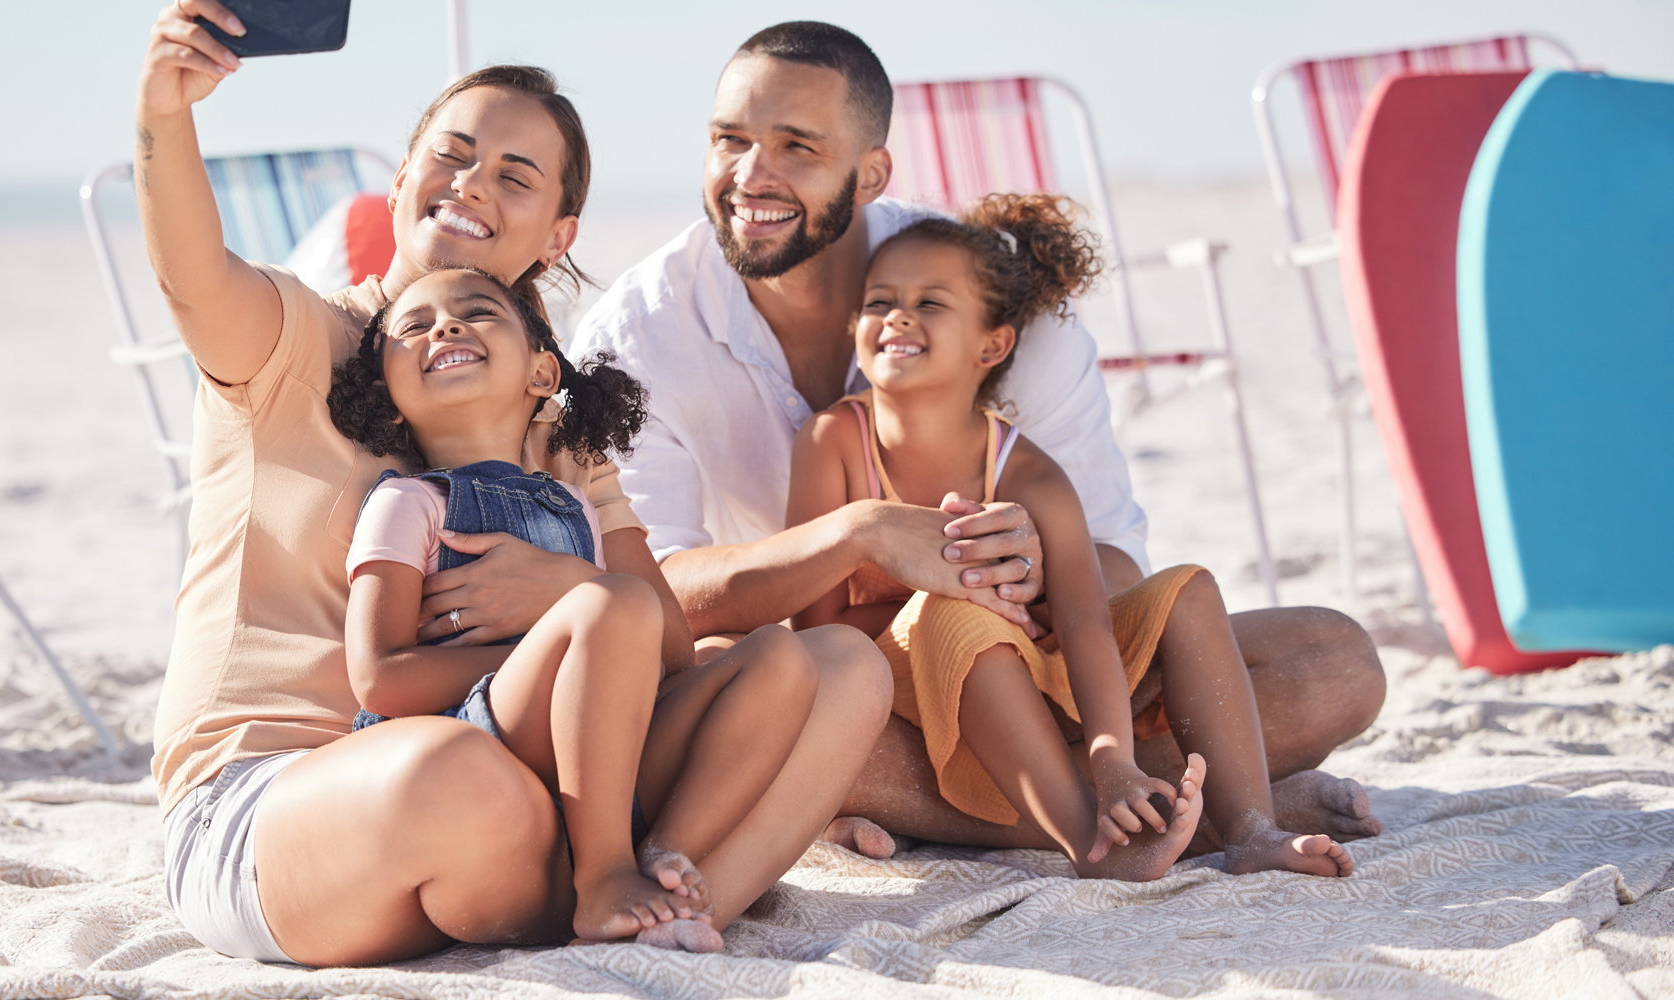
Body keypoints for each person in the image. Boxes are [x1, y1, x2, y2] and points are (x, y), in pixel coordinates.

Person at [139, 1, 889, 967]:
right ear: (403, 177)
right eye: (449, 157)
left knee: (839, 666)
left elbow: (659, 638)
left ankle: (679, 909)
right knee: (462, 781)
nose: (470, 185)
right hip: (288, 799)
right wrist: (165, 112)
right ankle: (624, 876)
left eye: (514, 176)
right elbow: (192, 278)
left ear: (557, 230)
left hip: (535, 789)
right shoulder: (297, 339)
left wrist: (566, 593)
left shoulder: (556, 420)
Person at [571, 20, 1385, 858]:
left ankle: (1080, 802)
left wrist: (1031, 567)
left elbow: (1111, 571)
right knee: (720, 689)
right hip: (840, 682)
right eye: (729, 140)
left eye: (796, 148)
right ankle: (1168, 810)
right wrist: (862, 537)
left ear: (872, 172)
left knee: (1335, 664)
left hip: (1038, 667)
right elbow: (654, 598)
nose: (750, 176)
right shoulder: (635, 339)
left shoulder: (996, 301)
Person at [790, 193, 1356, 880]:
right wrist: (954, 592)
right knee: (958, 613)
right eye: (880, 301)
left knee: (1188, 590)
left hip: (1034, 686)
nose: (899, 316)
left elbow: (1086, 620)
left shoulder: (1027, 471)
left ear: (992, 344)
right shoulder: (832, 445)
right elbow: (818, 628)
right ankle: (1088, 838)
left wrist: (1113, 756)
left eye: (931, 303)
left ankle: (1250, 827)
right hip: (904, 696)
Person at [334, 265, 832, 949]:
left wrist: (592, 637)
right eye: (413, 327)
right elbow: (379, 679)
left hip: (606, 764)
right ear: (390, 398)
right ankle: (602, 879)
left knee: (778, 654)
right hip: (478, 746)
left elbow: (667, 656)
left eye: (477, 312)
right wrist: (564, 656)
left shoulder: (575, 505)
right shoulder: (407, 504)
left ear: (542, 374)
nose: (444, 326)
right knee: (613, 603)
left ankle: (667, 857)